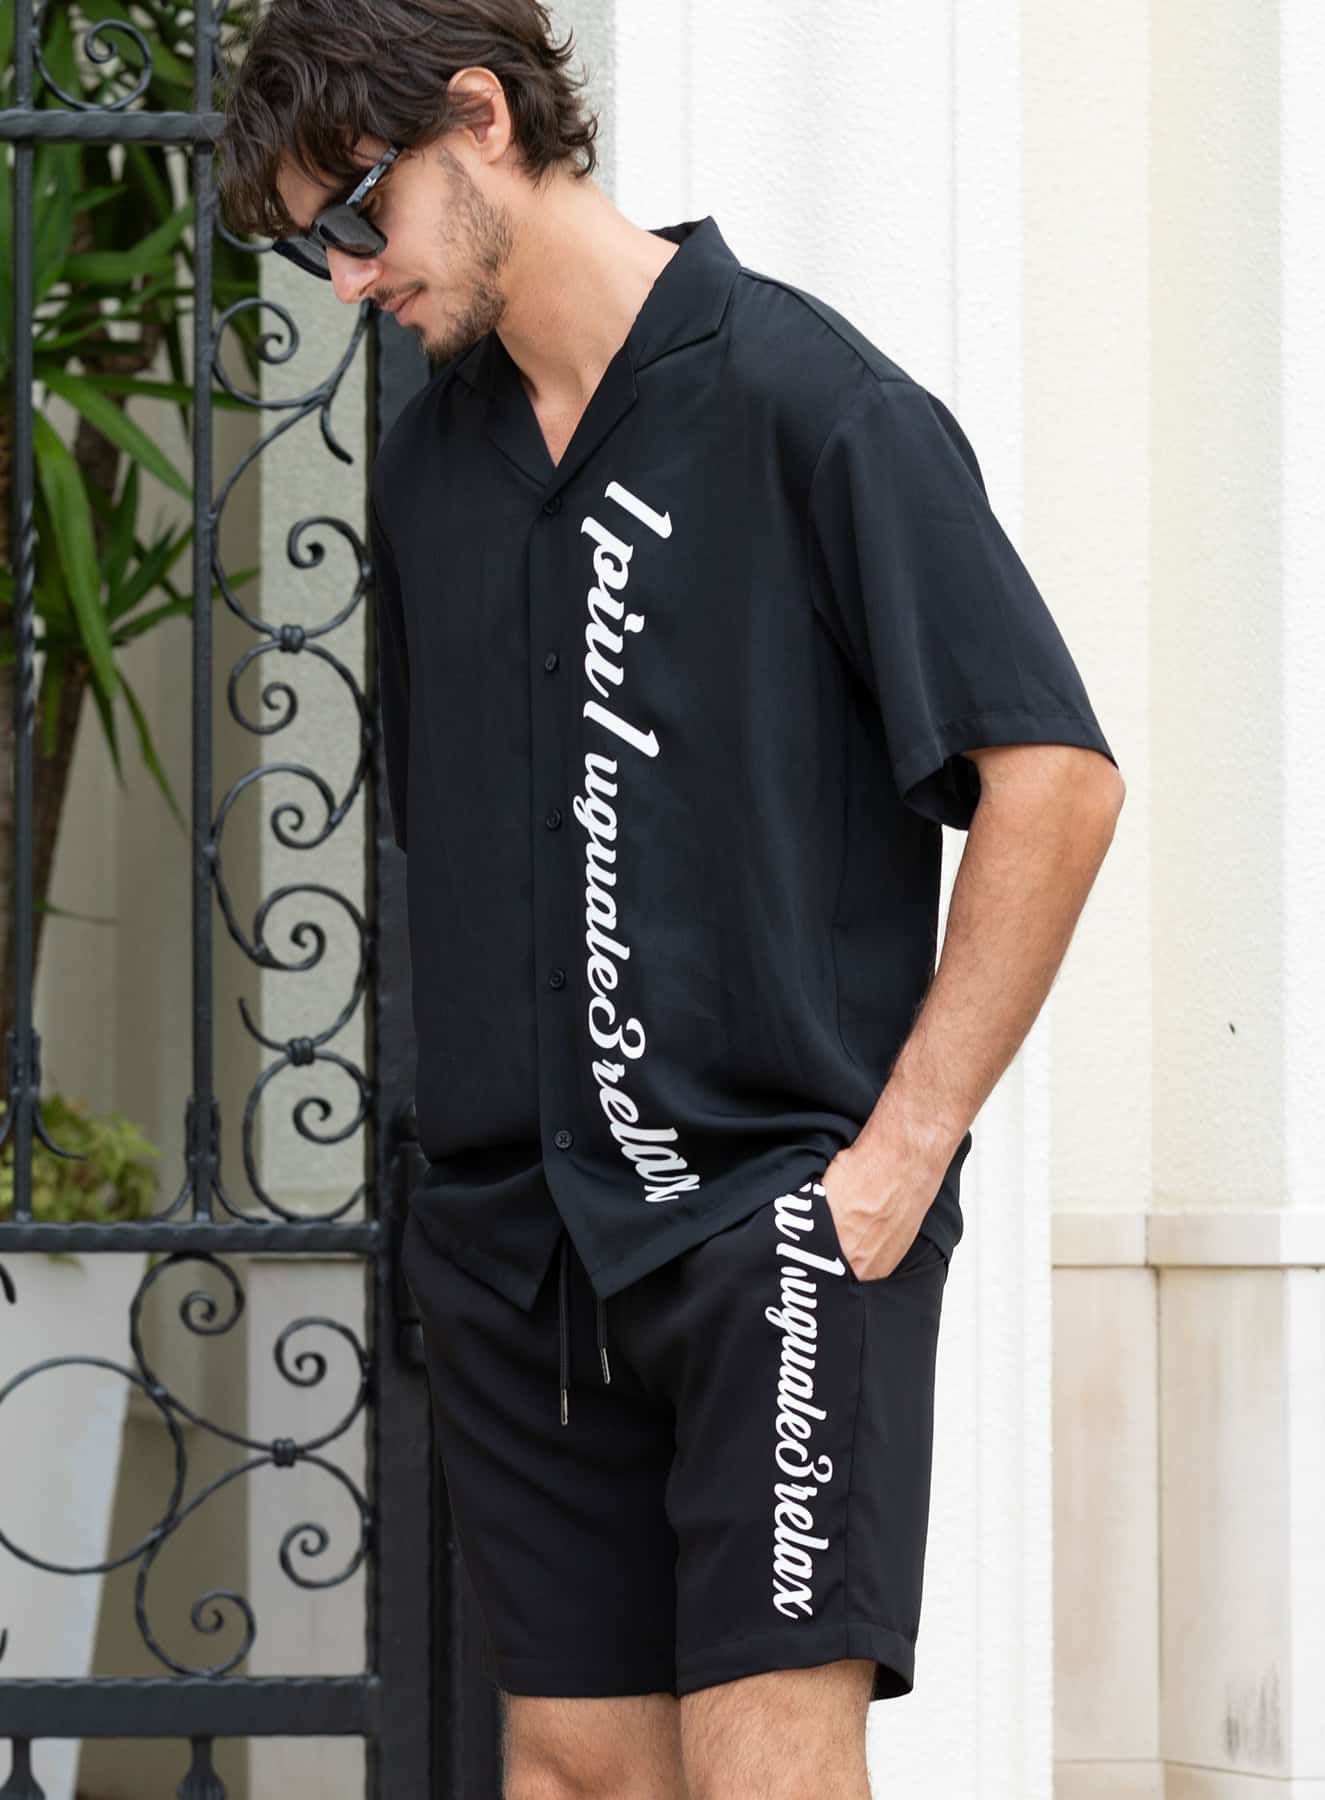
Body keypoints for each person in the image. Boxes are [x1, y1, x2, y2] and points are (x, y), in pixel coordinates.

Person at [218, 3, 1125, 1793]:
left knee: (762, 1764)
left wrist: (905, 1148)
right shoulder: (433, 467)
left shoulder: (812, 405)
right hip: (520, 1243)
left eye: (358, 217)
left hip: (769, 1217)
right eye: (315, 247)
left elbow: (1054, 780)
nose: (348, 278)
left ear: (480, 117)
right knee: (571, 1765)